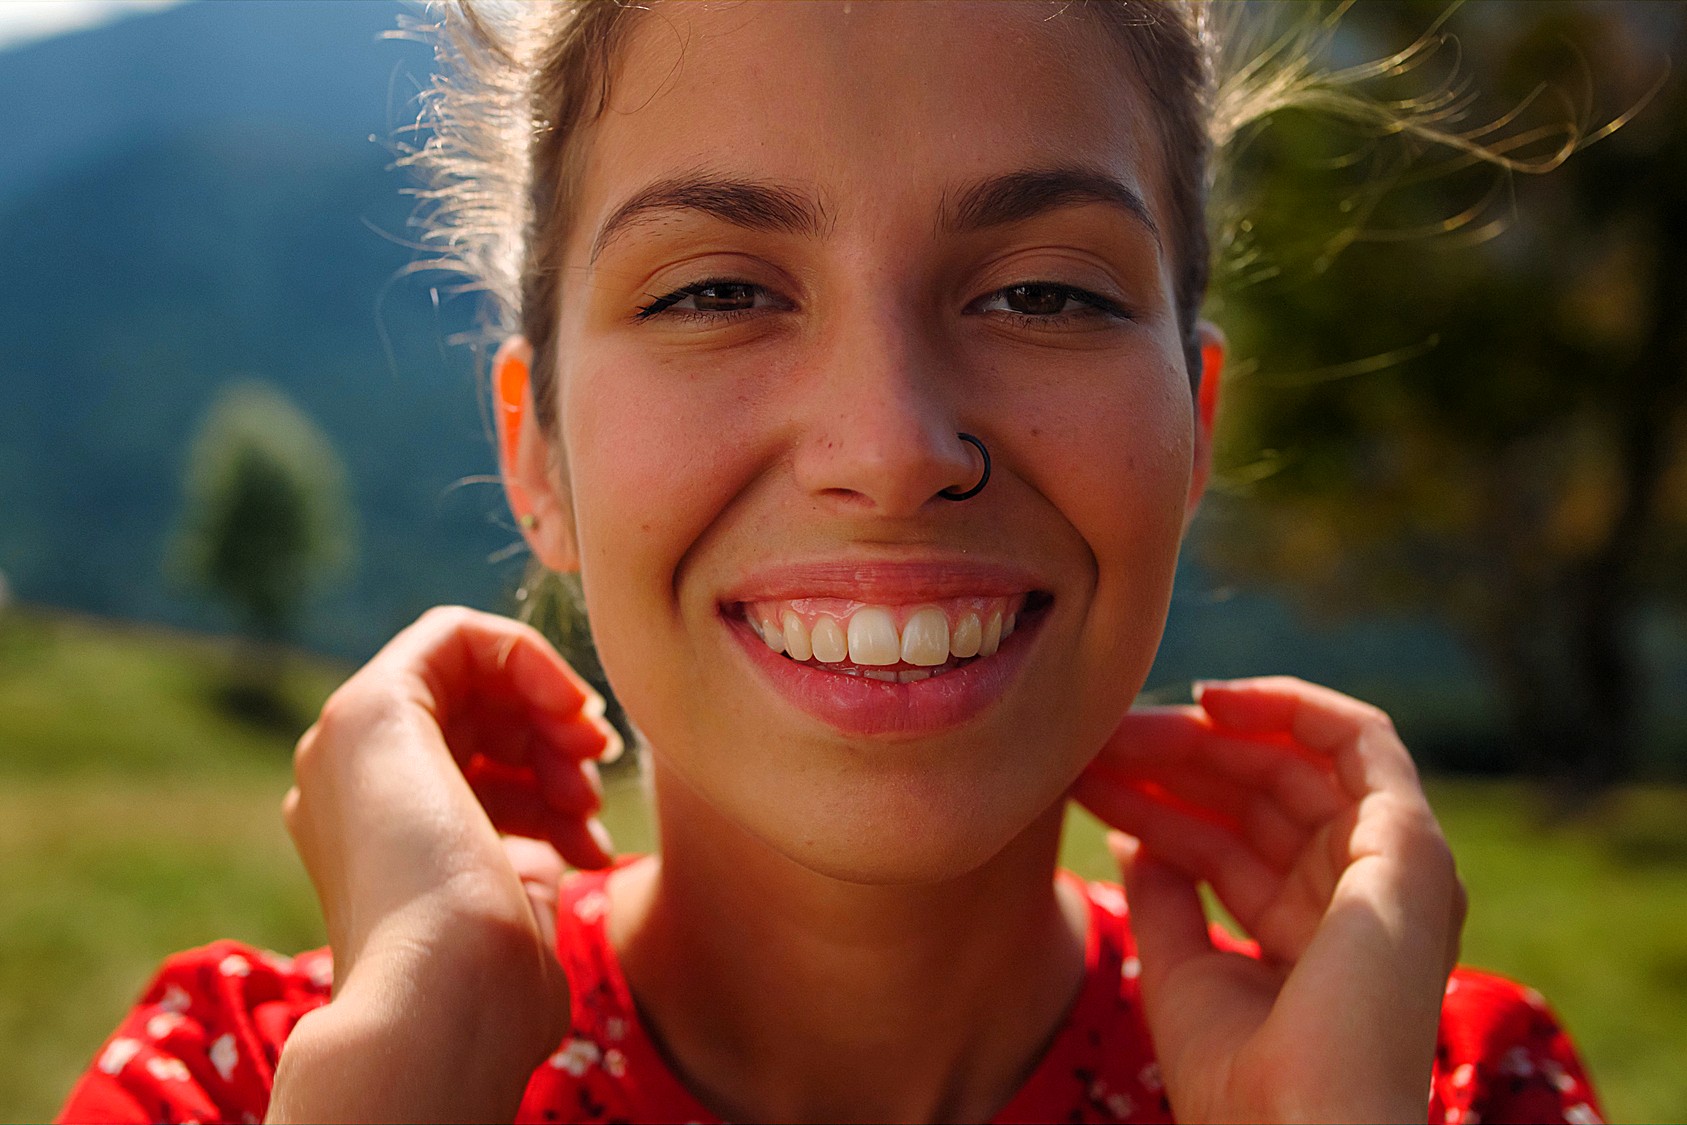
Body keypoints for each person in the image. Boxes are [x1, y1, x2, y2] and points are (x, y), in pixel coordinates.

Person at [60, 3, 1605, 1122]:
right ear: (538, 457)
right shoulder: (245, 1078)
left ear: (1192, 430)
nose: (889, 442)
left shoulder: (1437, 1084)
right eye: (720, 286)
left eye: (1049, 296)